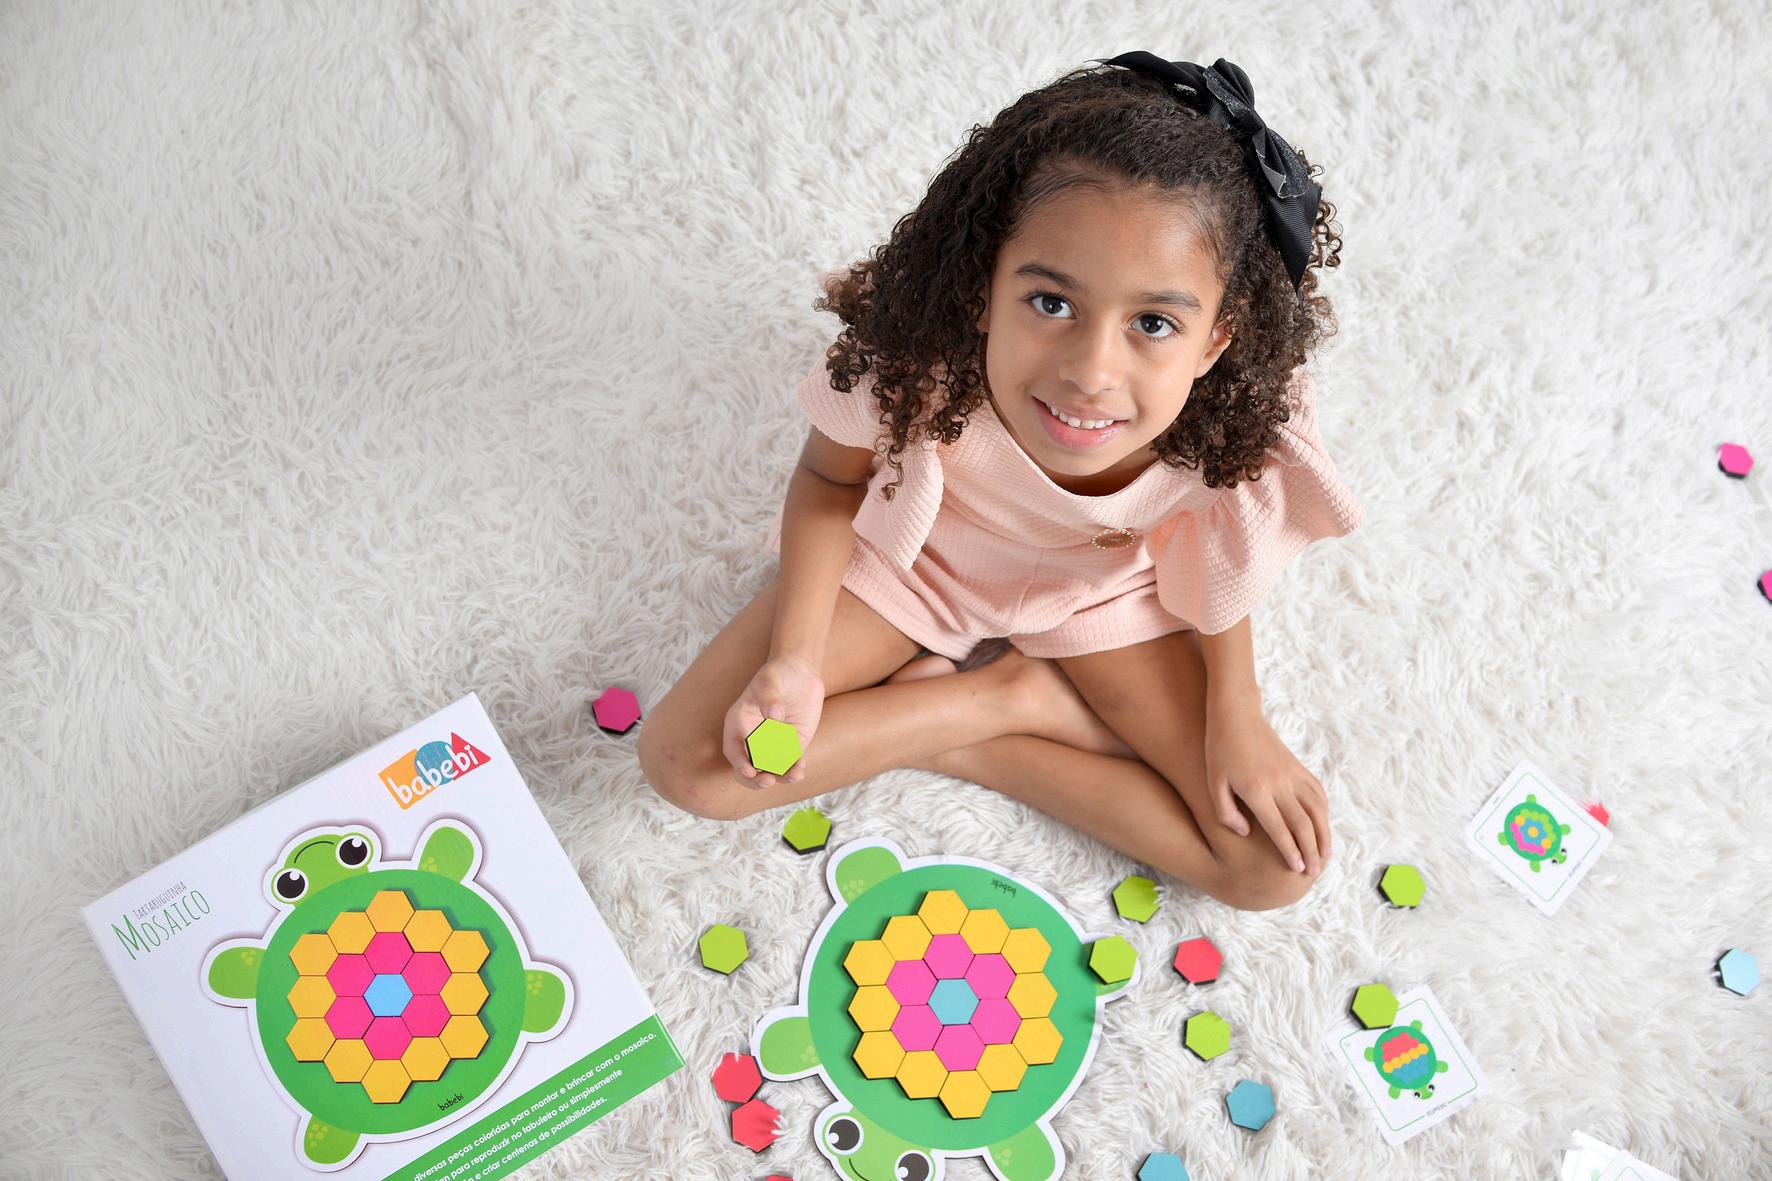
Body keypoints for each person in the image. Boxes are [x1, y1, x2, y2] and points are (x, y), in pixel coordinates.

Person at [638, 53, 1364, 912]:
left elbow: (1221, 559)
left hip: (1103, 597)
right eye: (1051, 303)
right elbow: (830, 483)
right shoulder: (913, 362)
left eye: (1153, 322)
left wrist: (1237, 718)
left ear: (1215, 341)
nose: (1091, 373)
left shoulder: (1237, 417)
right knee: (687, 764)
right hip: (917, 565)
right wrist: (795, 661)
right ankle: (1006, 699)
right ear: (984, 287)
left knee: (1273, 866)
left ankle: (992, 706)